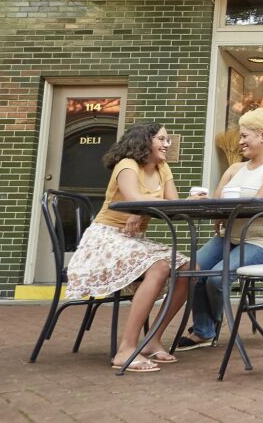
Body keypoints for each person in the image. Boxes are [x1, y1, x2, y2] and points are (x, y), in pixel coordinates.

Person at [65, 122, 191, 373]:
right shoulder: (127, 165)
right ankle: (125, 350)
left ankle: (152, 338)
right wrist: (137, 207)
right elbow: (133, 197)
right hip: (106, 239)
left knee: (190, 268)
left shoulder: (163, 168)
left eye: (168, 140)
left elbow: (173, 204)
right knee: (161, 266)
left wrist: (145, 208)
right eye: (162, 139)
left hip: (133, 241)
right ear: (145, 141)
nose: (167, 144)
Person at [175, 107, 263, 350]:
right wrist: (203, 203)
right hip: (228, 236)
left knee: (216, 278)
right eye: (240, 136)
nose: (240, 142)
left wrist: (223, 211)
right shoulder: (234, 169)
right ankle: (204, 331)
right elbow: (217, 205)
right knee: (191, 270)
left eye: (245, 136)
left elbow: (260, 203)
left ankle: (211, 324)